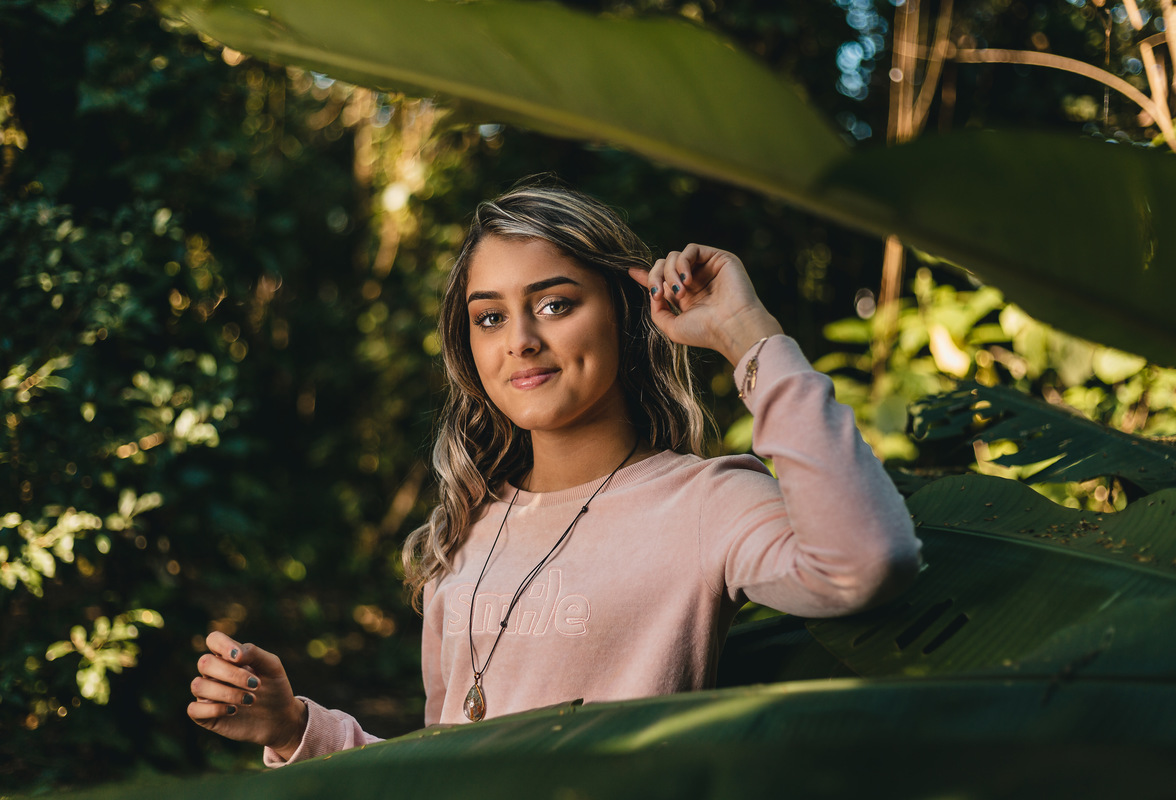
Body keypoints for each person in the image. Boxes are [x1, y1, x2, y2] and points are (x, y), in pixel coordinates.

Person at [187, 181, 922, 765]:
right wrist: (296, 729)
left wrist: (746, 334)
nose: (523, 342)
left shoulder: (706, 502)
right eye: (490, 317)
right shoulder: (463, 534)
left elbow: (865, 560)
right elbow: (444, 774)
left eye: (555, 304)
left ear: (624, 314)